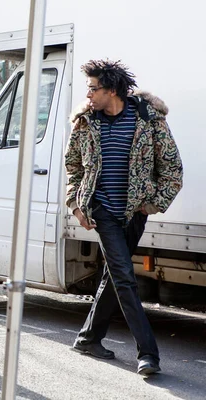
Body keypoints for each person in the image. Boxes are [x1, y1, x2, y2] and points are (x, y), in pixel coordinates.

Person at [65, 59, 183, 375]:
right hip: (102, 211)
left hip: (135, 213)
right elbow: (73, 168)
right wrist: (76, 206)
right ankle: (148, 354)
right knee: (125, 278)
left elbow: (173, 169)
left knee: (113, 277)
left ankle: (88, 338)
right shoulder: (86, 123)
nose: (88, 96)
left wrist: (155, 203)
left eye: (93, 89)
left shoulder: (148, 120)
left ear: (112, 90)